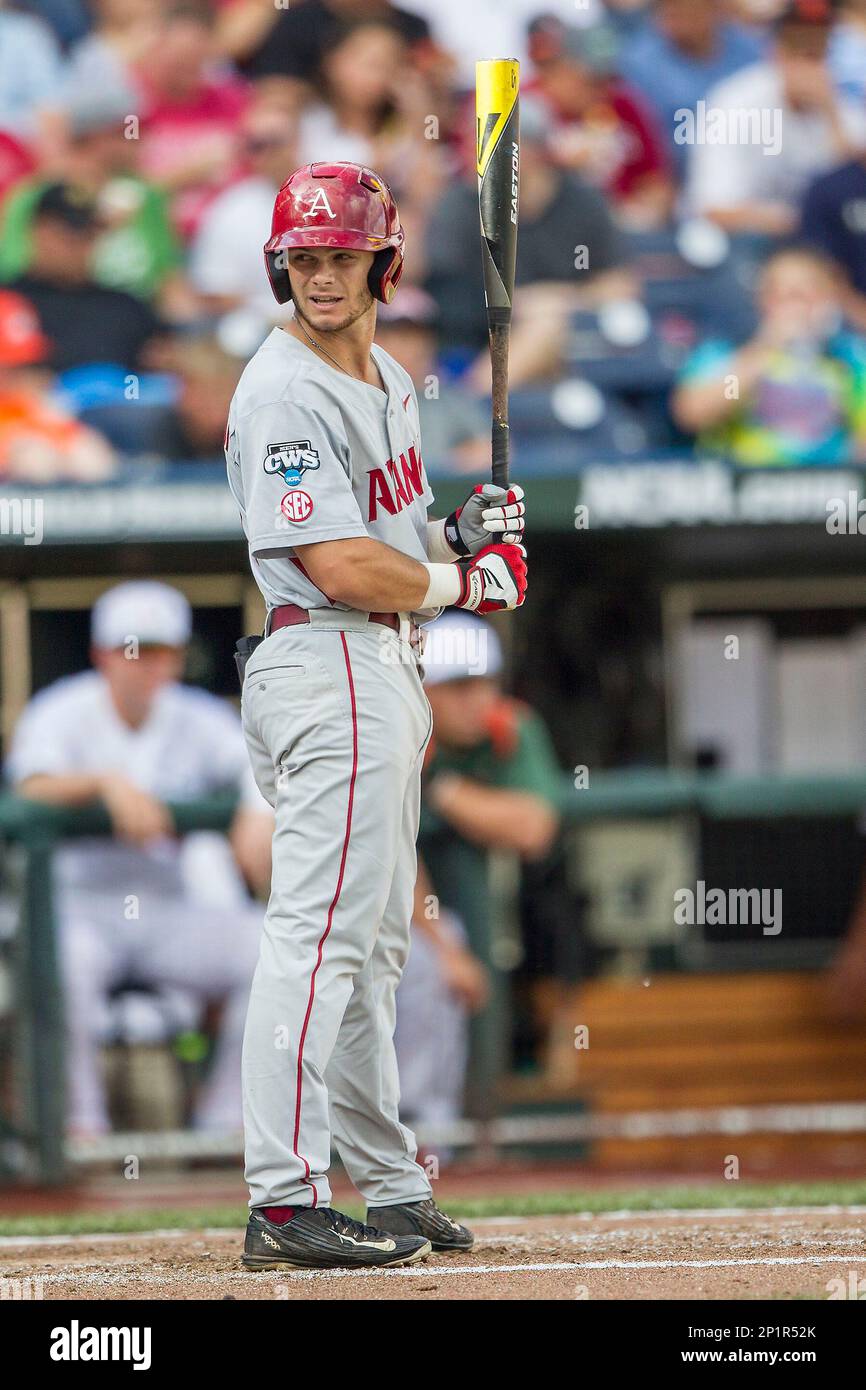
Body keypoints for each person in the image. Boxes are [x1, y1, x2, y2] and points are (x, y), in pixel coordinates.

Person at [226, 160, 528, 1271]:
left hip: (378, 668)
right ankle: (285, 1196)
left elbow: (394, 543)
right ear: (279, 266)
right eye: (301, 257)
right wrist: (464, 587)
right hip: (328, 662)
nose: (318, 275)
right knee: (315, 942)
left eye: (338, 256)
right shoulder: (280, 391)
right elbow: (339, 562)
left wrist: (460, 535)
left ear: (380, 264)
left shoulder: (391, 382)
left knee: (370, 947)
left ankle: (391, 1185)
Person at [4, 582, 272, 1137]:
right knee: (65, 967)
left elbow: (258, 765)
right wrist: (102, 783)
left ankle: (230, 1127)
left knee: (269, 951)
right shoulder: (63, 708)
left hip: (167, 911)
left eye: (160, 651)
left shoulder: (198, 716)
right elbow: (28, 788)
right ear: (103, 654)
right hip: (79, 911)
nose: (146, 665)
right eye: (134, 650)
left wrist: (253, 809)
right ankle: (77, 1132)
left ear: (177, 657)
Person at [395, 610, 560, 1133]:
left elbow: (534, 828)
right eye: (457, 687)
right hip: (391, 909)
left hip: (495, 910)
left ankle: (471, 1132)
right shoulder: (398, 728)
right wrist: (444, 945)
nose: (476, 701)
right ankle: (413, 1134)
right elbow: (393, 856)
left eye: (482, 684)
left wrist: (449, 795)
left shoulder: (511, 728)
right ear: (426, 690)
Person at [425, 96, 637, 385]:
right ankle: (480, 401)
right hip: (476, 342)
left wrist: (562, 299)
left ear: (534, 150)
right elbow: (450, 294)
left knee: (555, 327)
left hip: (574, 341)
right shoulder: (460, 205)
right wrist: (519, 305)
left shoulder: (582, 200)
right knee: (544, 328)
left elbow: (621, 284)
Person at [684, 0, 866, 238]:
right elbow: (713, 209)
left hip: (816, 241)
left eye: (817, 51)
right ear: (775, 51)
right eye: (797, 49)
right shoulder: (734, 103)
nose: (807, 62)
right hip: (745, 241)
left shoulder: (839, 105)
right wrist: (807, 218)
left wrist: (832, 117)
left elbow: (854, 191)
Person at [671, 246, 866, 466]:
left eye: (803, 294)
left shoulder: (850, 356)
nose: (794, 306)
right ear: (762, 299)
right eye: (781, 295)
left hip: (828, 487)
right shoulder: (729, 351)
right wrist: (761, 353)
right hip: (747, 483)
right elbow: (695, 413)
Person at [528, 16, 674, 228]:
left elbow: (657, 182)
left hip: (625, 231)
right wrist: (562, 166)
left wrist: (645, 212)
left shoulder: (624, 103)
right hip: (556, 234)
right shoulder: (529, 107)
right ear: (557, 69)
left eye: (608, 79)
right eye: (592, 80)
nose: (603, 90)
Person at [6, 182, 165, 372]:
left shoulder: (126, 308)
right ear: (37, 231)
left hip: (121, 399)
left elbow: (143, 382)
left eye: (89, 234)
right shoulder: (7, 301)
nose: (81, 245)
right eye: (68, 234)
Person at [618, 0, 767, 179]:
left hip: (750, 171)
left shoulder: (750, 50)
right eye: (667, 7)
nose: (674, 14)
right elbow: (645, 146)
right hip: (678, 179)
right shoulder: (637, 62)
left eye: (687, 6)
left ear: (714, 8)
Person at [0, 289, 115, 482]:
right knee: (34, 458)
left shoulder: (34, 406)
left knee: (86, 453)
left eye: (27, 366)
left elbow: (88, 454)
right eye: (10, 367)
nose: (25, 378)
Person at [374, 287, 489, 475]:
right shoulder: (355, 395)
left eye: (415, 337)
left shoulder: (447, 395)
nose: (406, 347)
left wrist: (451, 463)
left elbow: (491, 450)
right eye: (392, 336)